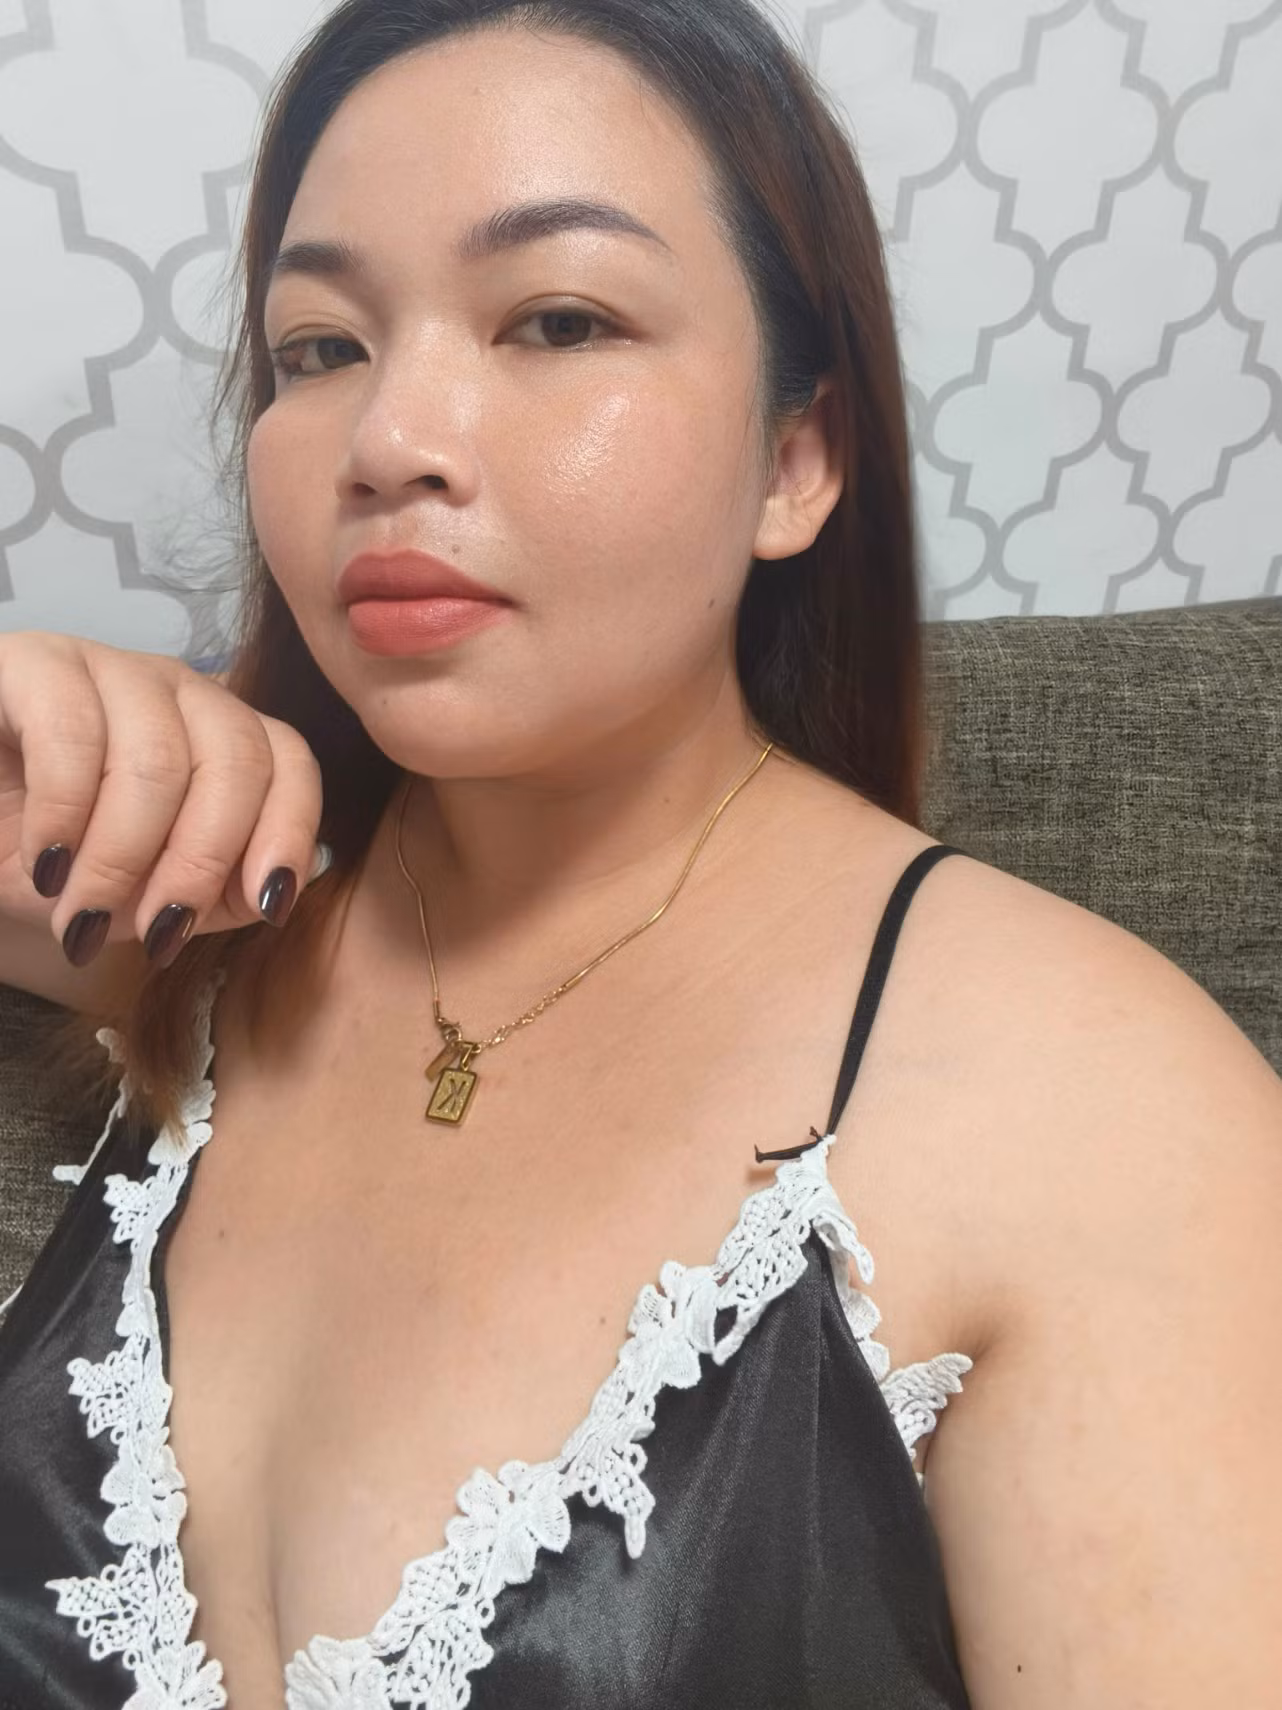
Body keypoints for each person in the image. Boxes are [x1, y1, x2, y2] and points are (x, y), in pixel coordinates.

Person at [1, 1, 1280, 1705]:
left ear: (795, 457)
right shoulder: (205, 917)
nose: (387, 441)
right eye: (319, 346)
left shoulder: (1102, 1111)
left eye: (557, 319)